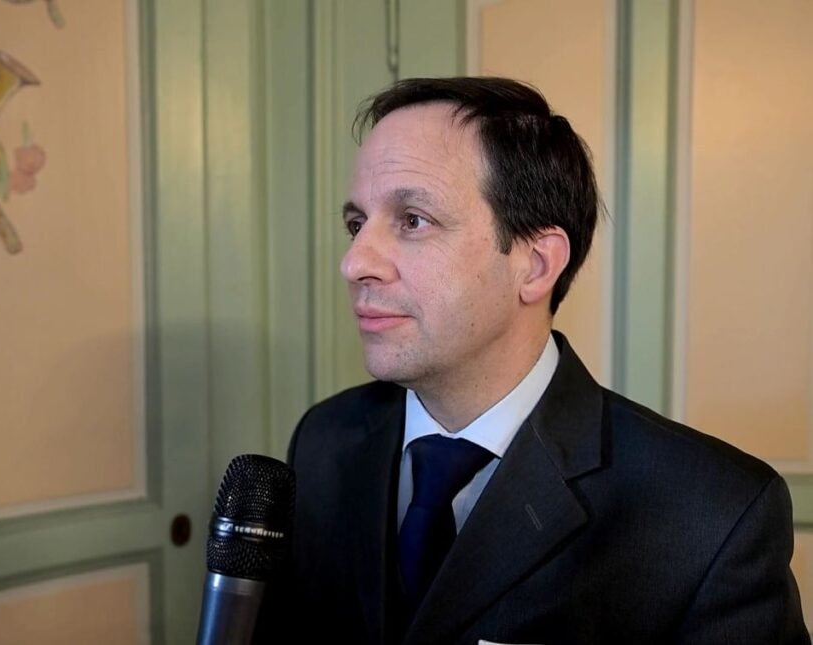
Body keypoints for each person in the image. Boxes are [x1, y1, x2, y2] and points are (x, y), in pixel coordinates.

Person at [255, 77, 809, 644]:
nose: (355, 263)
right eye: (357, 224)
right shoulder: (324, 441)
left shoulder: (711, 516)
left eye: (413, 220)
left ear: (537, 265)